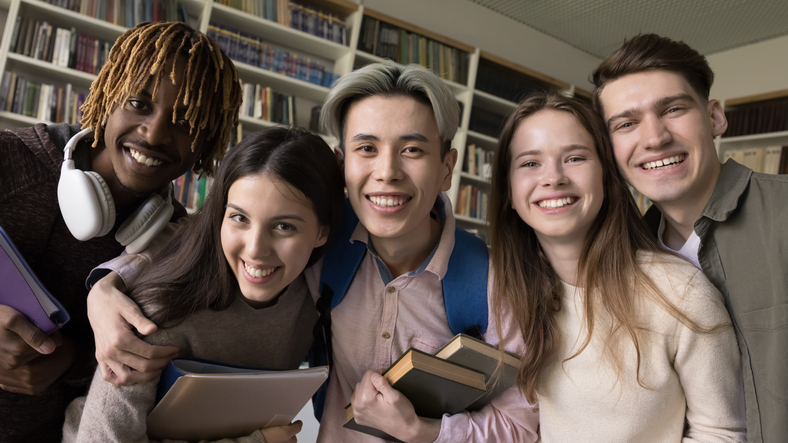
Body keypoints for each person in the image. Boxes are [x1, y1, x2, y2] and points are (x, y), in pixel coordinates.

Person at [86, 62, 539, 442]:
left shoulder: (498, 285)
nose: (387, 172)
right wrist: (107, 286)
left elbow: (523, 427)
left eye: (412, 150)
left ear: (446, 168)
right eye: (367, 148)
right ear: (343, 164)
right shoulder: (317, 241)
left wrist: (423, 431)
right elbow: (210, 232)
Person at [0, 21, 242, 442]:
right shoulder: (10, 161)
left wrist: (72, 361)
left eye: (186, 121)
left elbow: (136, 380)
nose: (154, 133)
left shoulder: (176, 247)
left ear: (207, 144)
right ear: (107, 96)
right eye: (138, 103)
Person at [489, 90, 746, 441]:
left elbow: (724, 433)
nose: (553, 178)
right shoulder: (505, 294)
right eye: (530, 163)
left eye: (575, 158)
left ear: (607, 178)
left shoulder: (679, 292)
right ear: (509, 192)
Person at [61, 126, 345, 442]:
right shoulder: (157, 317)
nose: (254, 250)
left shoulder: (313, 300)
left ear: (322, 232)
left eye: (283, 226)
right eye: (239, 218)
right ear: (219, 216)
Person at [591, 33, 788, 442]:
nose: (655, 137)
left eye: (673, 109)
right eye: (627, 124)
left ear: (714, 117)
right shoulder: (619, 261)